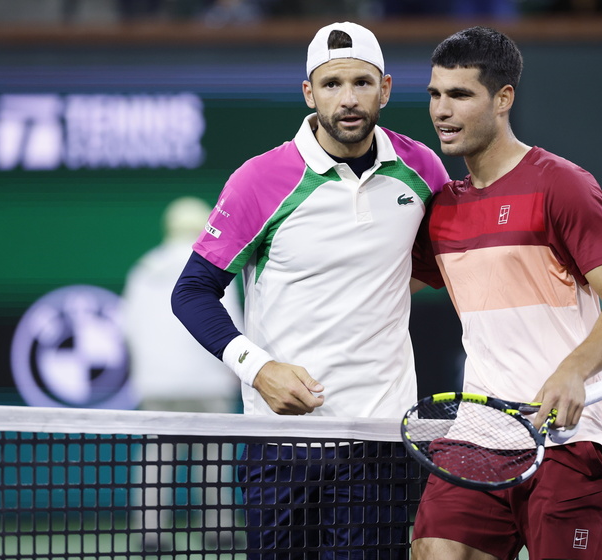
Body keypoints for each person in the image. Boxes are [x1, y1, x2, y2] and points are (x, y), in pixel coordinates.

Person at [171, 21, 449, 557]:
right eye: (332, 84)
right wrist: (258, 368)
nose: (348, 99)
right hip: (280, 444)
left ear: (385, 89)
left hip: (381, 439)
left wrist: (379, 294)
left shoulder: (422, 170)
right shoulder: (259, 179)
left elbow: (436, 264)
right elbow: (192, 292)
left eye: (362, 83)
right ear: (309, 92)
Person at [411, 26, 602, 560]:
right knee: (432, 552)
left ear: (502, 99)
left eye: (460, 95)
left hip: (570, 440)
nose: (442, 111)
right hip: (477, 434)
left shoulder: (562, 185)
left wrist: (572, 370)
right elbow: (384, 291)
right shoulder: (443, 209)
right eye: (435, 94)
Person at [122, 196, 243, 551]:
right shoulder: (215, 267)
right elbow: (229, 326)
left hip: (157, 384)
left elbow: (128, 328)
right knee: (214, 462)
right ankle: (219, 531)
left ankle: (150, 534)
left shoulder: (143, 269)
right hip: (208, 383)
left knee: (155, 463)